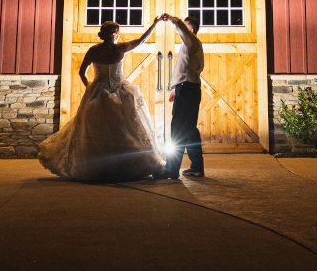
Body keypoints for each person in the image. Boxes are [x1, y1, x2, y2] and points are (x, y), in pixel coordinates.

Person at [37, 15, 166, 183]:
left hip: (120, 89)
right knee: (96, 129)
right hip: (99, 91)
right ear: (108, 34)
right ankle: (98, 166)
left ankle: (126, 163)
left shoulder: (121, 48)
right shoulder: (94, 51)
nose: (115, 35)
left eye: (115, 32)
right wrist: (90, 86)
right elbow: (82, 71)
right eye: (113, 32)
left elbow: (141, 40)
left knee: (124, 126)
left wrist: (155, 24)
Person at [160, 12, 204, 179]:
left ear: (191, 30)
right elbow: (187, 70)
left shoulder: (192, 41)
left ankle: (171, 169)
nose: (181, 31)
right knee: (190, 129)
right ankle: (197, 166)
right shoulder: (190, 46)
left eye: (185, 28)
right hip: (188, 88)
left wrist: (170, 18)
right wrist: (175, 89)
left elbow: (179, 25)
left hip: (187, 89)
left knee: (177, 128)